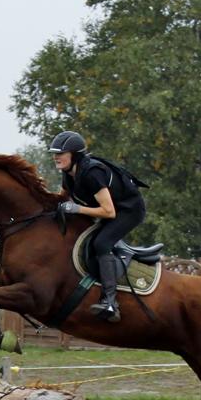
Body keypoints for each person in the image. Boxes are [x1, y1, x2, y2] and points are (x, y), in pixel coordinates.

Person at [49, 130, 147, 322]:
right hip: (110, 209)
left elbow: (109, 212)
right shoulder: (69, 173)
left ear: (74, 155)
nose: (56, 157)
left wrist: (76, 209)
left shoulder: (92, 173)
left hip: (128, 211)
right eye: (54, 153)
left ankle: (110, 302)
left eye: (60, 153)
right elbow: (61, 198)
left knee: (101, 243)